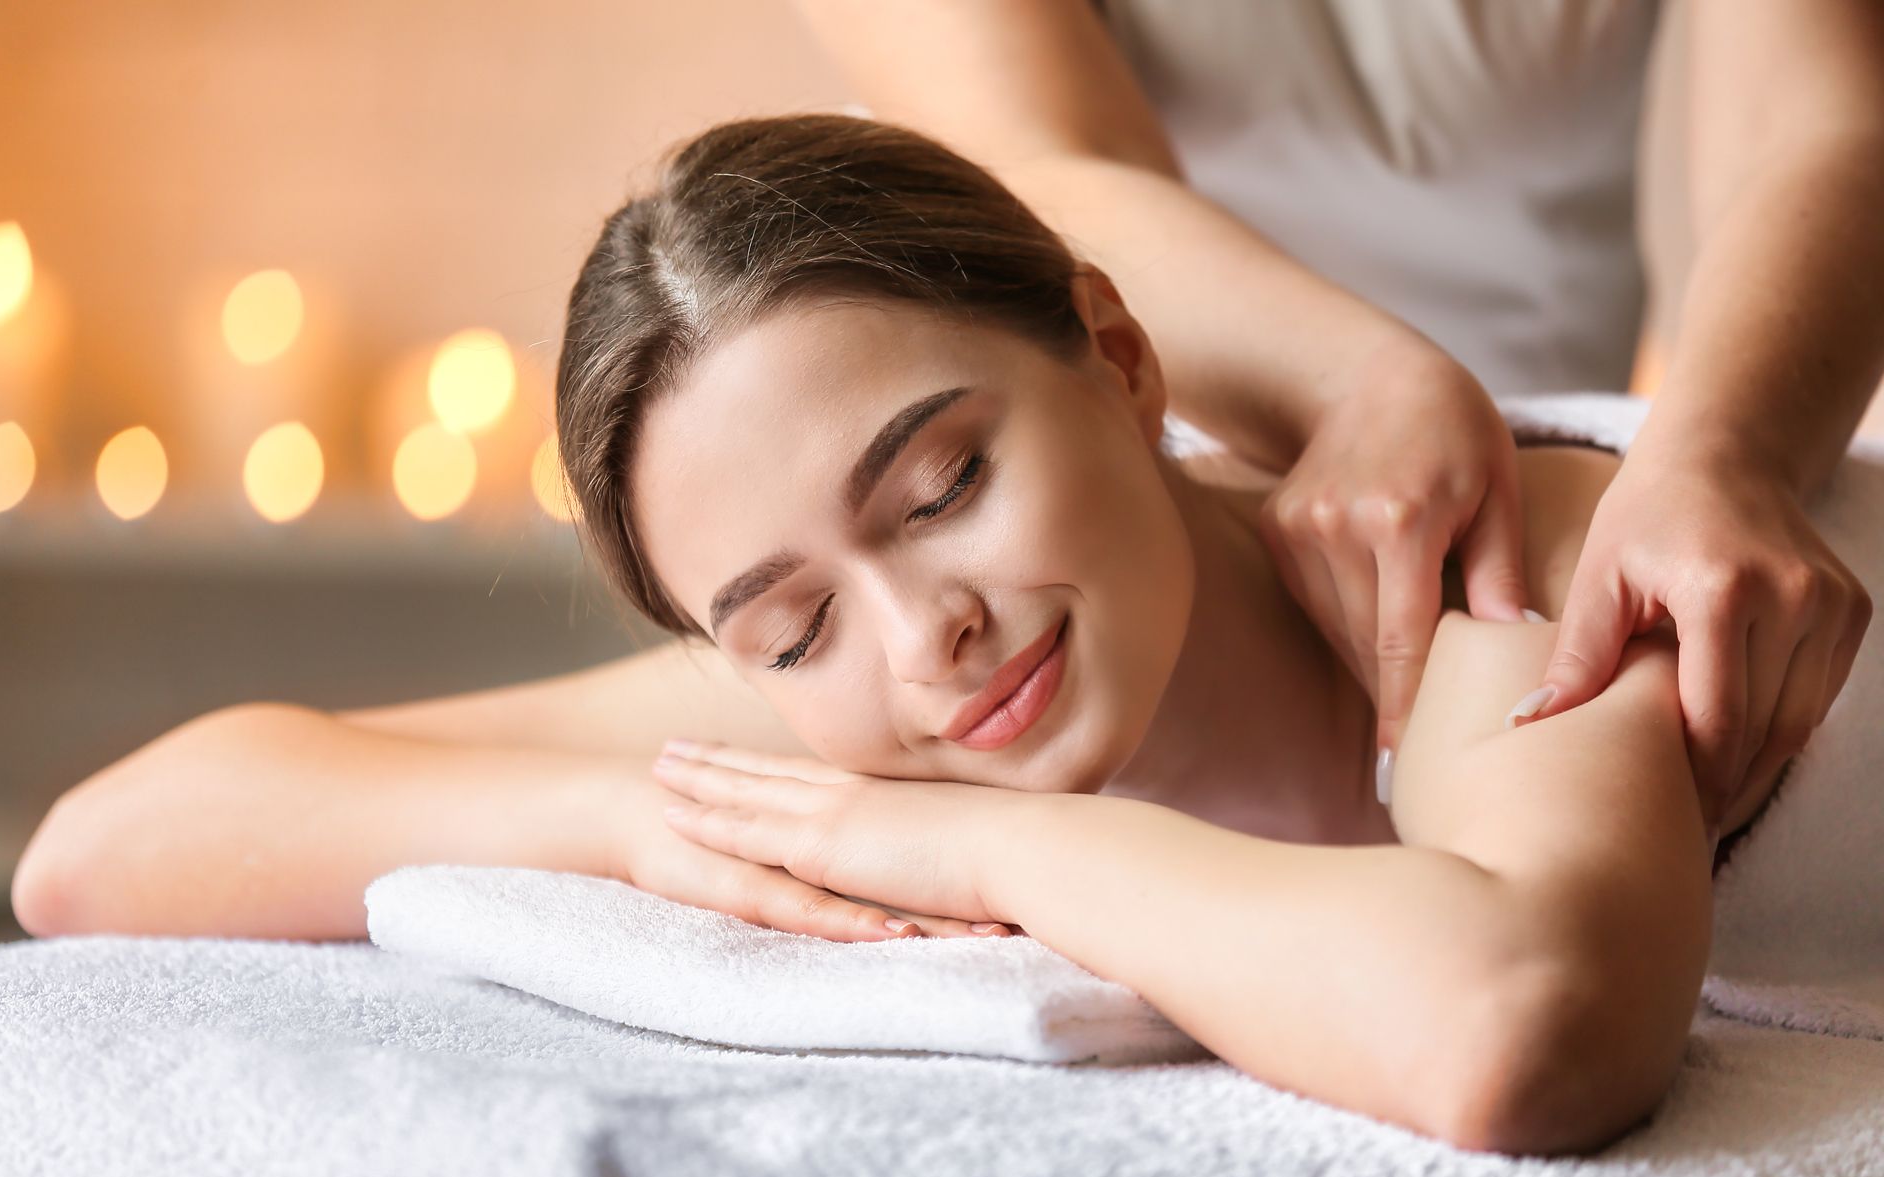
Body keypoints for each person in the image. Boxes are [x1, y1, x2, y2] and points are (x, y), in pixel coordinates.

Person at [14, 113, 1868, 1158]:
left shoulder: (1483, 581)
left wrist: (988, 840)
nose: (927, 635)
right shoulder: (847, 709)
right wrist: (639, 823)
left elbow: (1517, 1024)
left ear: (1124, 364)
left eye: (944, 484)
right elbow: (99, 851)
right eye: (793, 620)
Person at [791, 0, 1884, 842]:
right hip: (1178, 481)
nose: (915, 640)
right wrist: (1356, 383)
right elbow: (1035, 170)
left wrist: (1722, 452)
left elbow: (1811, 119)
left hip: (1589, 502)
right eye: (794, 632)